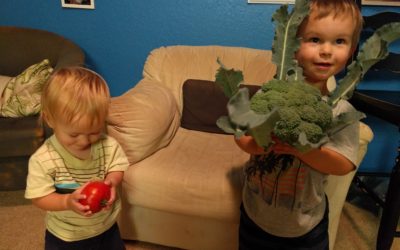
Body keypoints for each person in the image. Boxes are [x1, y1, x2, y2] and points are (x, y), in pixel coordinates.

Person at [235, 0, 364, 249]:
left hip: (306, 226)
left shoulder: (341, 111)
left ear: (352, 50)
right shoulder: (269, 95)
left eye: (339, 41)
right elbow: (241, 137)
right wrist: (263, 143)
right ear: (292, 47)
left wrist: (302, 149)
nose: (326, 50)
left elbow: (344, 164)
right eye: (315, 39)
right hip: (254, 215)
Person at [25, 67, 129, 250]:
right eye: (74, 135)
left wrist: (111, 181)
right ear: (50, 119)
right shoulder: (44, 159)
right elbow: (39, 197)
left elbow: (117, 166)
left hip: (106, 227)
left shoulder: (107, 144)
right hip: (66, 235)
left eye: (94, 132)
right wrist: (66, 202)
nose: (84, 140)